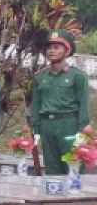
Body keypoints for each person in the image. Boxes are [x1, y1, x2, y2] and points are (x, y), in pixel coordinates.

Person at [30, 30, 90, 176]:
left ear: (67, 51)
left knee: (73, 166)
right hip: (47, 125)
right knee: (51, 167)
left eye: (56, 48)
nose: (51, 51)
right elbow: (36, 105)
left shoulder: (77, 76)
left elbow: (83, 105)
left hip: (68, 124)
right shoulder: (40, 77)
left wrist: (82, 132)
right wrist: (36, 129)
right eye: (49, 48)